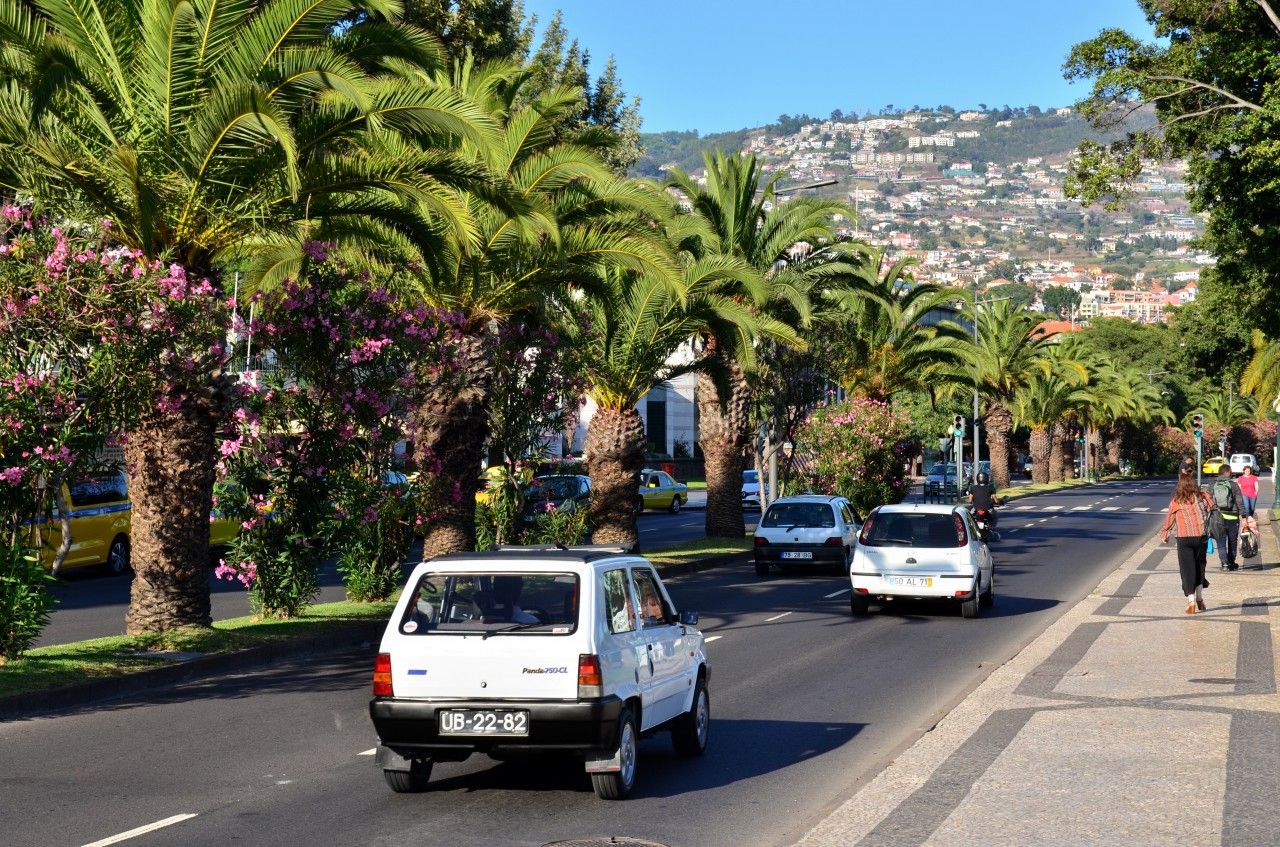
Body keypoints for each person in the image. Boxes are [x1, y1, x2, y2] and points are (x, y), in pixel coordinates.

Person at [1159, 457, 1214, 614]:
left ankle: (1191, 602)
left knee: (1187, 569)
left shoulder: (1177, 501)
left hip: (1184, 539)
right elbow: (1213, 509)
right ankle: (1200, 599)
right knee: (1199, 567)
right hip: (1201, 537)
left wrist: (1165, 533)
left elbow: (1169, 519)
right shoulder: (1204, 496)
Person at [1211, 465, 1245, 571]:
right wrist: (1243, 516)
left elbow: (1207, 501)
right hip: (1232, 517)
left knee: (1220, 541)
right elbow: (1239, 501)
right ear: (1227, 472)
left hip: (1217, 517)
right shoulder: (1233, 485)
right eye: (1230, 471)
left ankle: (1224, 564)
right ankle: (1231, 562)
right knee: (1232, 541)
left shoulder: (1212, 485)